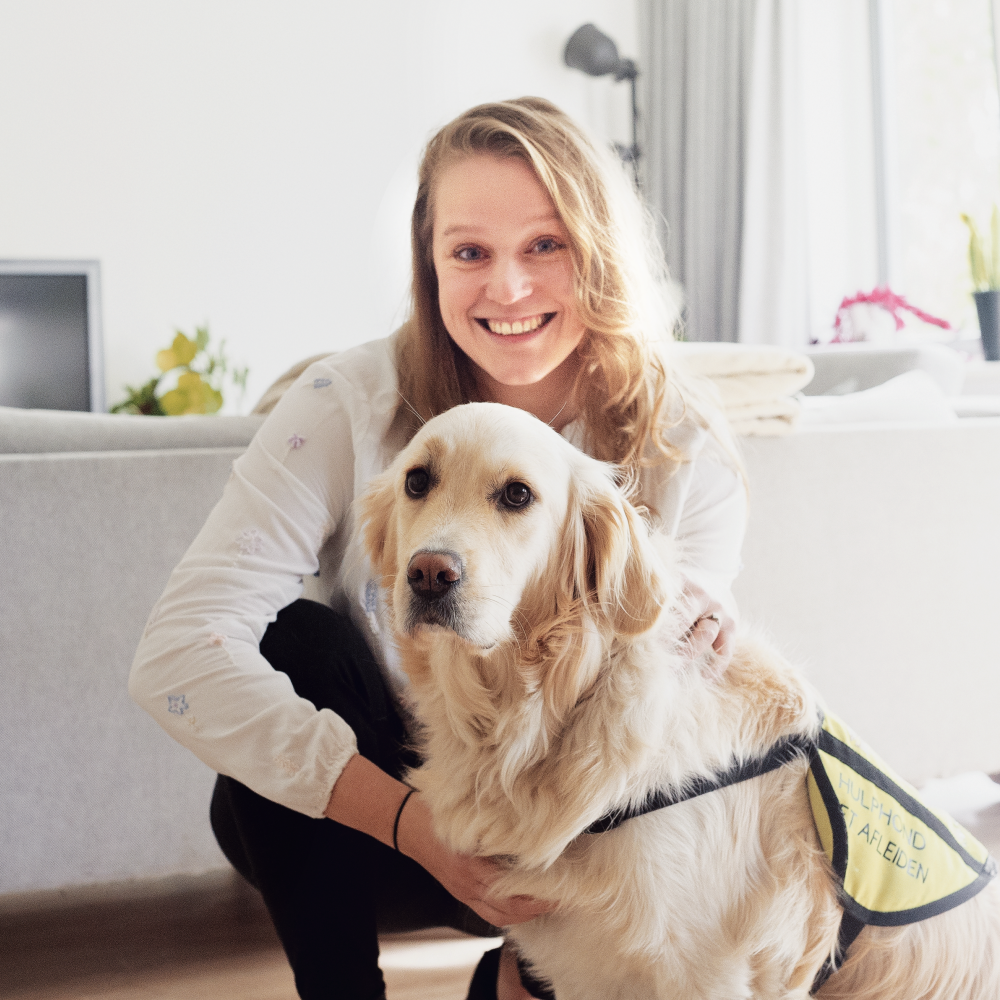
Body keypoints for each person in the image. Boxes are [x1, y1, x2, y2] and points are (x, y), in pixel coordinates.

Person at [129, 97, 747, 1000]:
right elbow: (175, 654)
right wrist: (420, 828)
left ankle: (520, 967)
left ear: (599, 252)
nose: (508, 288)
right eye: (470, 253)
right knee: (300, 642)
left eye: (546, 245)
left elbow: (666, 734)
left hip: (577, 834)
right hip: (369, 827)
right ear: (430, 264)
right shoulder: (345, 404)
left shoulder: (680, 438)